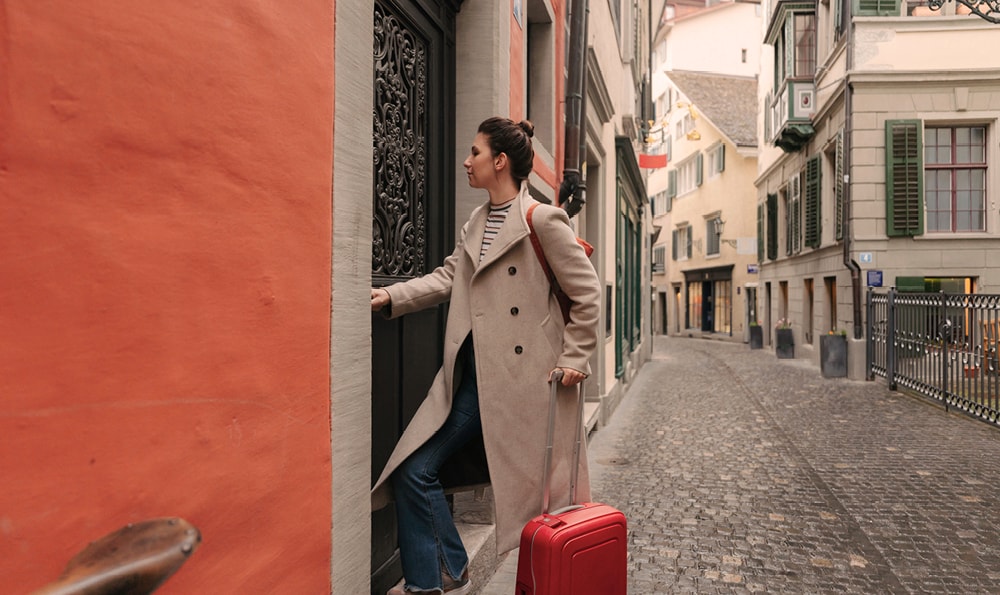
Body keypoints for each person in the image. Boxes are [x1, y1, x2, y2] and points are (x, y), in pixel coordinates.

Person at [370, 116, 601, 595]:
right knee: (415, 470)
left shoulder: (542, 219)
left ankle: (437, 576)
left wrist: (576, 357)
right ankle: (442, 571)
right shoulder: (477, 222)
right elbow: (447, 277)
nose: (466, 161)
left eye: (475, 152)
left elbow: (587, 293)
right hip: (474, 375)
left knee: (417, 470)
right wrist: (392, 298)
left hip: (522, 379)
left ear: (500, 161)